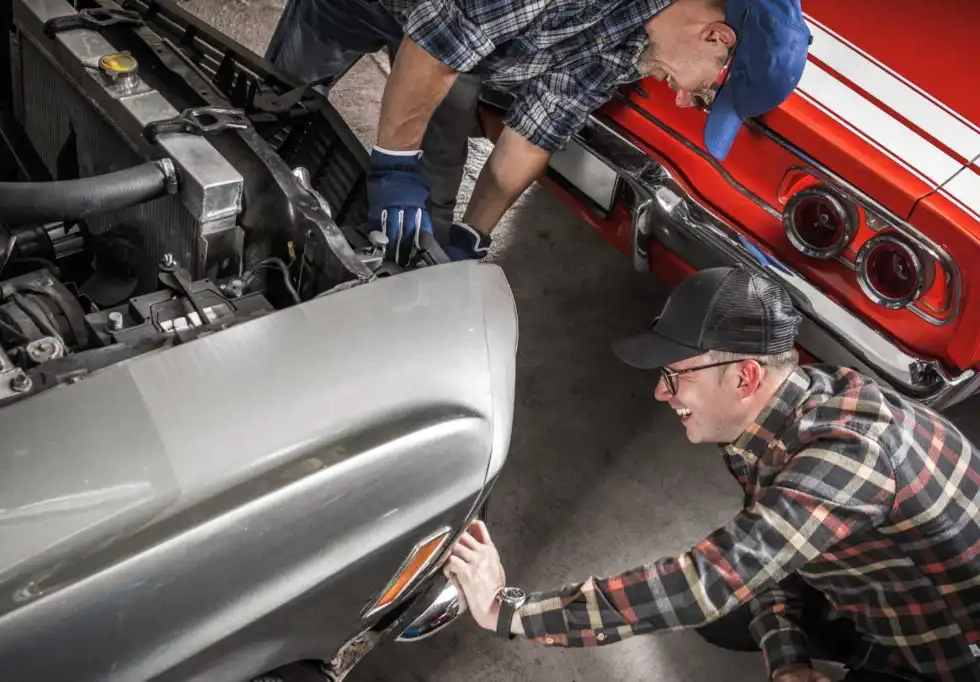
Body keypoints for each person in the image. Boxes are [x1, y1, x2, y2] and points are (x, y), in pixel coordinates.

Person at [443, 265, 980, 682]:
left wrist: (506, 609)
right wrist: (786, 660)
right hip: (875, 590)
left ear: (745, 376)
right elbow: (764, 554)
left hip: (944, 653)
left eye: (674, 377)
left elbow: (706, 582)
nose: (660, 393)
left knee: (703, 602)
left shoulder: (849, 454)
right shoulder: (786, 413)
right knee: (729, 616)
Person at [265, 0, 811, 265]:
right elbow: (434, 43)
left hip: (461, 53)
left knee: (429, 218)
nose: (683, 99)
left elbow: (541, 125)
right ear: (717, 37)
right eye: (708, 94)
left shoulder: (640, 44)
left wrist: (473, 236)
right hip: (367, 7)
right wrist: (390, 160)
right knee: (273, 116)